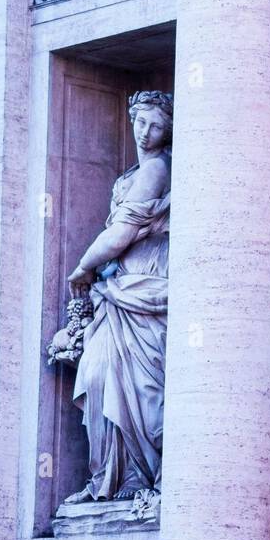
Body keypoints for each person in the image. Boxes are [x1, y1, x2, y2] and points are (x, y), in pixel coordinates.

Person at [63, 89, 172, 505]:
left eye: (156, 125)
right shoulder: (129, 174)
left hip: (144, 280)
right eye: (140, 121)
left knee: (144, 387)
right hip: (119, 285)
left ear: (169, 131)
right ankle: (110, 478)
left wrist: (83, 267)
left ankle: (138, 478)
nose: (145, 132)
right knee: (97, 374)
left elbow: (123, 232)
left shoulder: (157, 170)